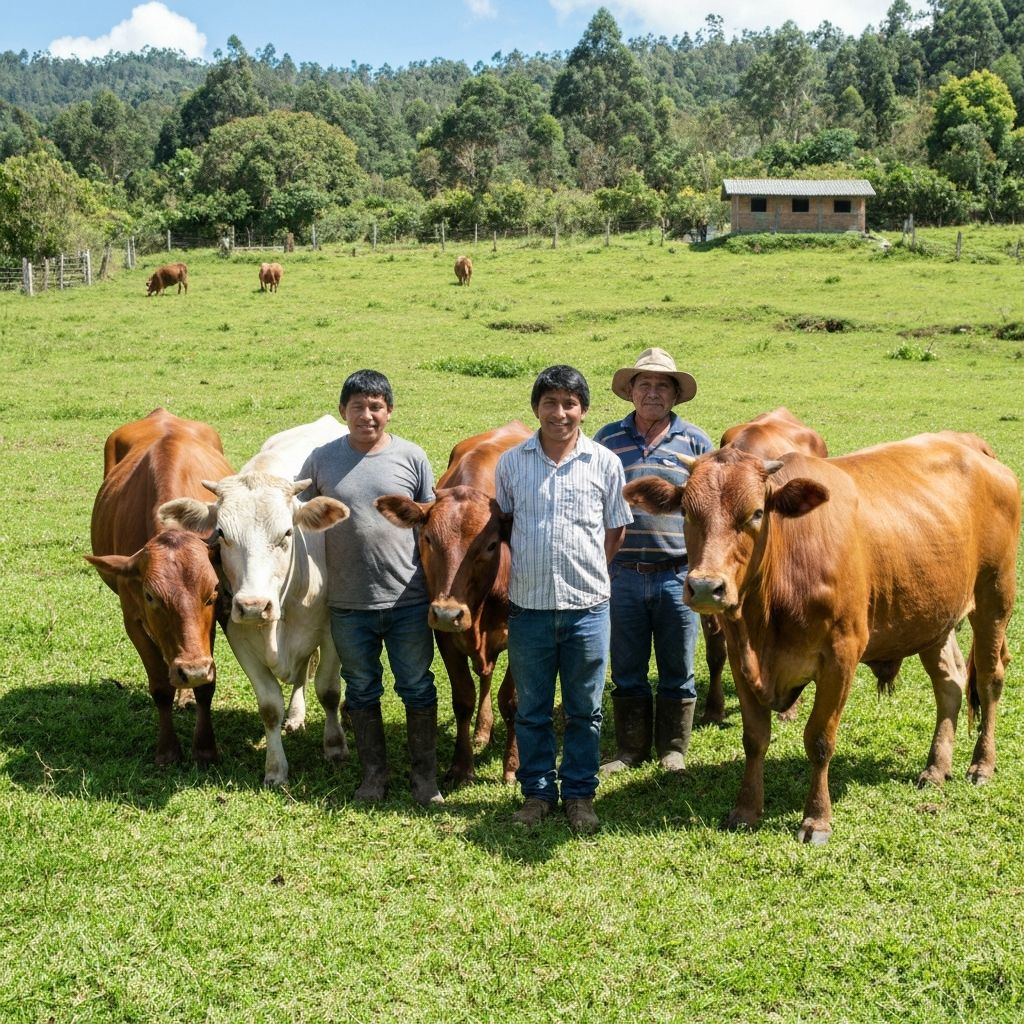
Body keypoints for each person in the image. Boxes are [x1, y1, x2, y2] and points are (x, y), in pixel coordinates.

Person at [495, 365, 633, 834]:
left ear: (584, 410)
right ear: (536, 408)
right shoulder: (512, 463)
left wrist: (590, 570)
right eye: (550, 403)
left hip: (588, 610)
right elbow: (506, 526)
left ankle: (579, 795)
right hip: (529, 609)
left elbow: (615, 529)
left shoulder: (604, 462)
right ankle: (536, 795)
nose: (560, 413)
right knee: (532, 709)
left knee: (585, 710)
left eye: (569, 404)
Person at [299, 369, 442, 806]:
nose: (367, 415)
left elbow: (431, 520)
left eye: (376, 406)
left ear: (390, 411)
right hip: (347, 602)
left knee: (417, 685)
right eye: (358, 406)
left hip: (408, 599)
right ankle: (373, 777)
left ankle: (425, 781)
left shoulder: (412, 457)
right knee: (361, 687)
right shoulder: (322, 459)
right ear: (343, 411)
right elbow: (295, 511)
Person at [593, 347, 713, 774]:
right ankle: (629, 750)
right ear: (630, 391)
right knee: (626, 667)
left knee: (678, 666)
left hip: (676, 572)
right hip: (621, 571)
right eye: (644, 384)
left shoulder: (696, 443)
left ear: (676, 396)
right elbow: (593, 500)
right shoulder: (606, 439)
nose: (653, 393)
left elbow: (712, 507)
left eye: (663, 386)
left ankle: (673, 749)